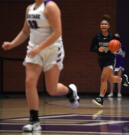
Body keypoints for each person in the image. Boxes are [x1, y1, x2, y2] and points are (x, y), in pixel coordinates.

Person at [2, 0, 80, 132]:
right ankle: (34, 121)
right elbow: (25, 31)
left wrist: (39, 48)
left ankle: (70, 92)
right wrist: (12, 44)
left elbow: (57, 33)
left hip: (53, 50)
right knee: (29, 82)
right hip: (34, 49)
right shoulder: (29, 8)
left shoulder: (50, 7)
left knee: (52, 89)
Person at [90, 14, 129, 108]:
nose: (103, 25)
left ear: (109, 26)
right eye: (102, 24)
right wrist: (98, 49)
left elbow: (118, 48)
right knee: (111, 79)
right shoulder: (97, 37)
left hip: (110, 59)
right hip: (101, 60)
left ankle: (100, 98)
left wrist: (114, 46)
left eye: (105, 24)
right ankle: (123, 79)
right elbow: (91, 48)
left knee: (103, 79)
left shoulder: (112, 37)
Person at [108, 34, 129, 98]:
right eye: (115, 37)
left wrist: (119, 52)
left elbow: (124, 55)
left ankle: (119, 93)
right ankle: (111, 93)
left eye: (117, 38)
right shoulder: (110, 45)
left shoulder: (122, 46)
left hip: (119, 62)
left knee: (119, 78)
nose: (116, 38)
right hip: (112, 62)